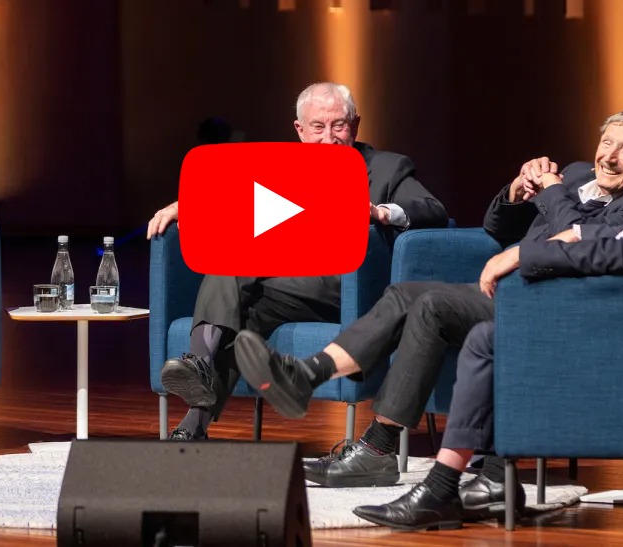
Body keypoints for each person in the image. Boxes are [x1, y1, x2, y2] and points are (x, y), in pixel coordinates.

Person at [353, 86, 623, 531]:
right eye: (607, 142)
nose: (612, 155)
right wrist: (529, 205)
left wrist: (525, 254)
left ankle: (444, 478)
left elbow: (617, 254)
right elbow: (610, 243)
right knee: (469, 327)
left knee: (477, 332)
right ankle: (465, 477)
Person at [233, 111, 623, 487]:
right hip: (510, 290)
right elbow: (498, 228)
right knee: (404, 294)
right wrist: (517, 189)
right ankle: (309, 376)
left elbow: (576, 240)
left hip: (552, 303)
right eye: (607, 142)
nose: (609, 156)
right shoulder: (579, 173)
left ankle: (373, 447)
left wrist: (551, 192)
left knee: (432, 306)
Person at [148, 82, 449, 441]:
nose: (329, 138)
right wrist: (182, 208)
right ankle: (195, 405)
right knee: (236, 306)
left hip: (345, 287)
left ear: (355, 124)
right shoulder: (284, 168)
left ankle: (198, 367)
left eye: (339, 125)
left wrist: (382, 213)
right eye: (318, 128)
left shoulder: (387, 167)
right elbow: (232, 200)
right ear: (300, 130)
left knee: (238, 270)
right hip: (283, 288)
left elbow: (433, 210)